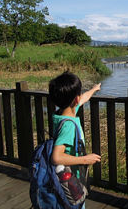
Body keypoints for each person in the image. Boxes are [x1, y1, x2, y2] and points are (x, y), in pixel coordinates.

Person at [49, 71, 101, 209]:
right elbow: (56, 157)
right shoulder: (68, 126)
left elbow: (83, 98)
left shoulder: (62, 113)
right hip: (70, 181)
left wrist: (94, 89)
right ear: (75, 100)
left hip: (66, 178)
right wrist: (86, 159)